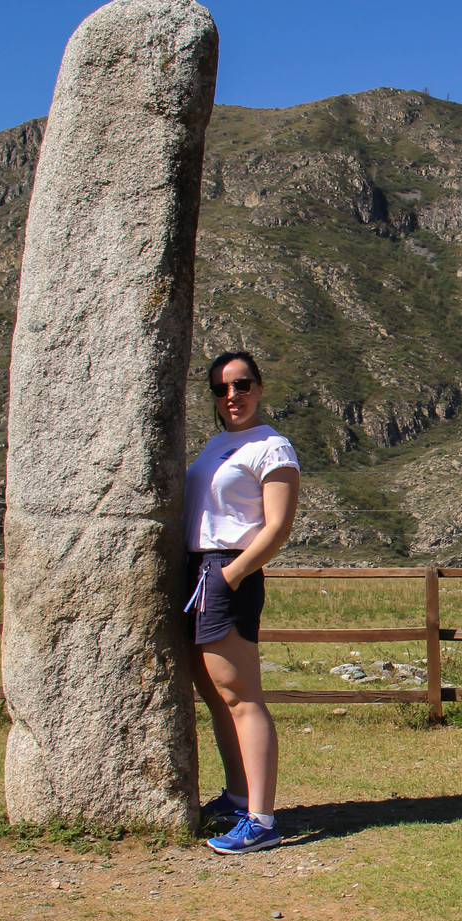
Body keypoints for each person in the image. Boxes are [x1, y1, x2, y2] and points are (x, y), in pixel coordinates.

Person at [184, 351, 301, 852]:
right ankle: (236, 797)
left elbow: (277, 527)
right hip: (197, 572)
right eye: (221, 388)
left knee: (242, 696)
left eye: (242, 384)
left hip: (228, 571)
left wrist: (230, 576)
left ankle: (262, 819)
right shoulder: (215, 444)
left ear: (259, 387)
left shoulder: (273, 448)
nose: (232, 396)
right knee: (215, 696)